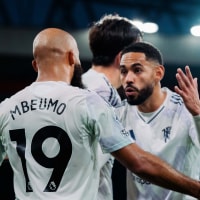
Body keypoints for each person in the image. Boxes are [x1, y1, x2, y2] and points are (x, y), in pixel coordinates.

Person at [0, 28, 200, 200]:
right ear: (72, 58)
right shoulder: (88, 103)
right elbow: (139, 163)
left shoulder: (6, 109)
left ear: (35, 64)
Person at [117, 41, 200, 200]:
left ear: (158, 73)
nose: (128, 79)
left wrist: (198, 112)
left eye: (137, 70)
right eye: (123, 71)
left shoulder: (185, 109)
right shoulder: (119, 114)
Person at [82, 13, 143, 200]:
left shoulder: (84, 84)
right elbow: (138, 162)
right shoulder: (100, 93)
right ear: (121, 58)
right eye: (140, 52)